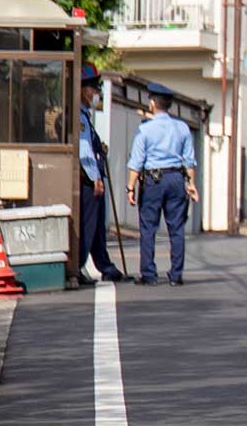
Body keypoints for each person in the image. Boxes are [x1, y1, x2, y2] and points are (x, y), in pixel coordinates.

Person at [126, 87, 199, 286]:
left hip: (153, 180)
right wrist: (191, 184)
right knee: (176, 228)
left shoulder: (145, 129)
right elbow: (189, 161)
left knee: (148, 227)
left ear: (152, 103)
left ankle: (149, 274)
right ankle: (176, 275)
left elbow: (136, 162)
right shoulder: (182, 128)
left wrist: (130, 188)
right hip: (176, 178)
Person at [75, 76, 127, 284]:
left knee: (96, 226)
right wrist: (96, 177)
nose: (96, 95)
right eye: (93, 90)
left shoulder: (85, 116)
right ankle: (77, 267)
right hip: (88, 180)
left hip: (92, 179)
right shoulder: (79, 118)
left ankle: (105, 265)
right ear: (82, 91)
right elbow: (84, 149)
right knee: (88, 226)